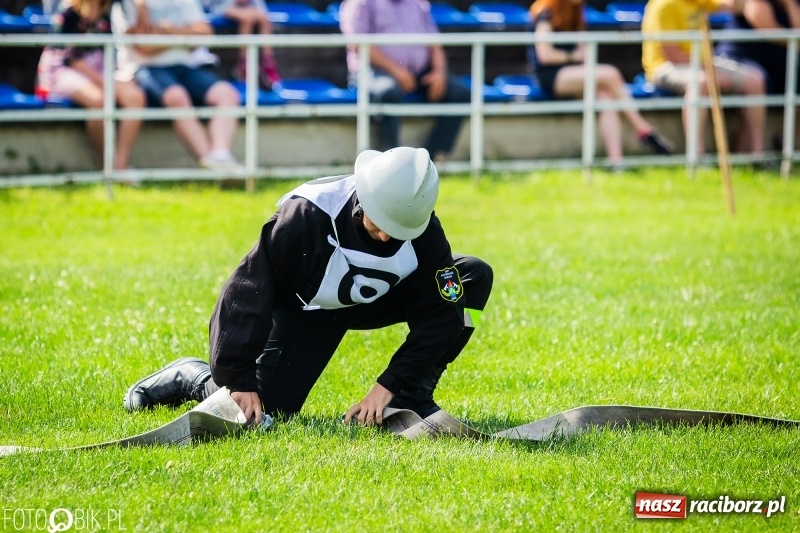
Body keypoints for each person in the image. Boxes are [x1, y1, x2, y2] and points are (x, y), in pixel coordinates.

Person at [123, 147, 494, 426]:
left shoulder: (422, 228)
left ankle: (412, 396)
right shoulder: (304, 215)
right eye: (377, 223)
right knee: (265, 411)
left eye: (395, 231)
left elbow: (443, 316)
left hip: (375, 300)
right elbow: (245, 293)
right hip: (309, 310)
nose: (384, 235)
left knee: (472, 279)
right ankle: (194, 375)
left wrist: (390, 385)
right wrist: (237, 377)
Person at [528, 0, 674, 167]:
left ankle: (616, 162)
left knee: (606, 97)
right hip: (551, 77)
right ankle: (644, 130)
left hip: (575, 74)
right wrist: (574, 56)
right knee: (610, 74)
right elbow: (545, 55)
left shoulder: (577, 12)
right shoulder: (546, 11)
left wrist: (581, 56)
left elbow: (584, 51)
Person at [112, 0, 244, 171]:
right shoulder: (129, 3)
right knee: (177, 97)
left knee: (227, 94)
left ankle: (219, 156)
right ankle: (218, 169)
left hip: (185, 66)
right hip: (144, 68)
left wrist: (166, 32)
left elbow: (206, 33)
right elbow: (144, 47)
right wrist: (185, 37)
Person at [338, 0, 471, 161]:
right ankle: (390, 160)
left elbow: (434, 44)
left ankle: (430, 159)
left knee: (460, 93)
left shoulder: (417, 3)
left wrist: (439, 72)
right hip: (373, 70)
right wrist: (397, 70)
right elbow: (358, 43)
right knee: (386, 92)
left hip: (417, 72)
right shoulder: (360, 3)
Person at [642, 0, 768, 158]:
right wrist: (710, 72)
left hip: (705, 63)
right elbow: (671, 54)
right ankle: (697, 156)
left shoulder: (699, 1)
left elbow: (736, 7)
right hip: (666, 66)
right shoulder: (664, 5)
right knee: (701, 82)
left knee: (754, 79)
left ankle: (757, 154)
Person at [37, 0, 145, 171]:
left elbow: (109, 49)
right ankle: (109, 166)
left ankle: (120, 164)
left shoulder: (108, 9)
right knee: (99, 101)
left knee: (135, 97)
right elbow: (69, 58)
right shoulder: (68, 11)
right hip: (63, 71)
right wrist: (104, 82)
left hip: (99, 69)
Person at [716, 0, 800, 150]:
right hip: (740, 59)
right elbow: (772, 32)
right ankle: (751, 153)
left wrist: (790, 5)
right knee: (756, 79)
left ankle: (792, 145)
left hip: (780, 65)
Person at [201, 0, 281, 89]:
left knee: (264, 18)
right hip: (221, 6)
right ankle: (243, 64)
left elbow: (261, 8)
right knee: (247, 19)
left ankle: (267, 61)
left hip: (247, 7)